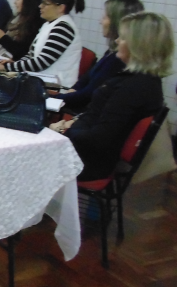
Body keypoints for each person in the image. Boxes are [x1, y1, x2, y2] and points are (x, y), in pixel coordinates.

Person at [51, 12, 173, 181]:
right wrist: (72, 122)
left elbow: (99, 138)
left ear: (138, 45)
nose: (116, 41)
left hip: (88, 161)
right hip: (85, 150)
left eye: (122, 38)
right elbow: (99, 116)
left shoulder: (134, 87)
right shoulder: (140, 80)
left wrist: (62, 131)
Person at [52, 0, 144, 113]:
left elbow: (88, 95)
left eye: (105, 17)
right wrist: (72, 90)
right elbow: (86, 79)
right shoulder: (111, 52)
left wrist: (53, 98)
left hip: (85, 113)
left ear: (117, 22)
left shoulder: (118, 59)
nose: (100, 21)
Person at [0, 0, 85, 89]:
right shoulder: (49, 24)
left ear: (60, 7)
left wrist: (7, 67)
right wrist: (17, 63)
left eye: (45, 3)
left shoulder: (63, 28)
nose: (40, 6)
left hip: (56, 87)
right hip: (42, 81)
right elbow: (31, 55)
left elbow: (42, 62)